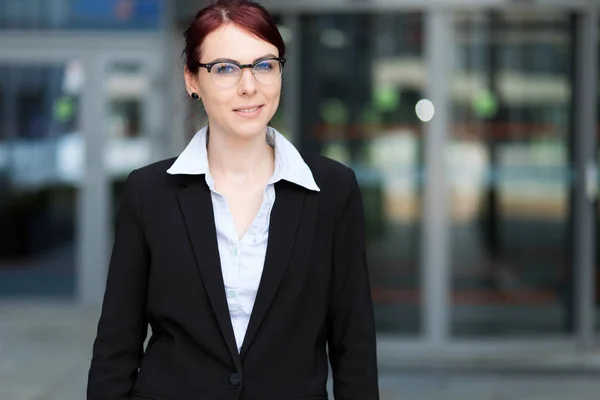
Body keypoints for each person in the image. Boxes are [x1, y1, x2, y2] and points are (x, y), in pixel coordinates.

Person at [87, 0, 379, 399]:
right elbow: (115, 350)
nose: (249, 86)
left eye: (264, 65)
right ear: (192, 79)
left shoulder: (332, 190)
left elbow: (354, 348)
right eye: (225, 68)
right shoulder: (148, 192)